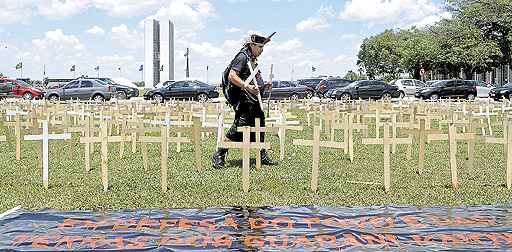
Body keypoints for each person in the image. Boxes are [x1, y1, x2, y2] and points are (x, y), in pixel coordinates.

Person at [212, 34, 278, 169]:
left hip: (253, 102)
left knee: (259, 125)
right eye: (259, 47)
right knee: (239, 128)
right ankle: (219, 153)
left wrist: (264, 86)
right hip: (244, 102)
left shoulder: (252, 59)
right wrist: (247, 86)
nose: (262, 50)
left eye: (263, 47)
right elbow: (232, 76)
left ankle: (262, 154)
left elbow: (252, 81)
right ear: (251, 45)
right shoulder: (242, 57)